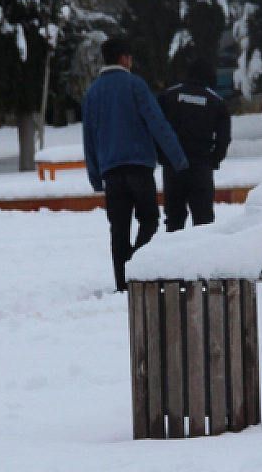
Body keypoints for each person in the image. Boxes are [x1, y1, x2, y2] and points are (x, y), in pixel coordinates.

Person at [81, 36, 189, 292]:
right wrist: (178, 159)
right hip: (139, 166)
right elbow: (158, 124)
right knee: (149, 219)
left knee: (118, 229)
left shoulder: (92, 93)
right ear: (123, 59)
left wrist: (96, 176)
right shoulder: (135, 85)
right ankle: (136, 266)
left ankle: (122, 284)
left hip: (110, 170)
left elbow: (89, 138)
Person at [158, 57, 233, 232]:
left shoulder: (169, 96)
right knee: (204, 220)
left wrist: (161, 156)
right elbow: (224, 137)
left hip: (173, 166)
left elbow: (156, 128)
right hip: (200, 167)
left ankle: (175, 255)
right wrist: (214, 160)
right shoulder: (216, 102)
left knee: (174, 219)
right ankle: (203, 257)